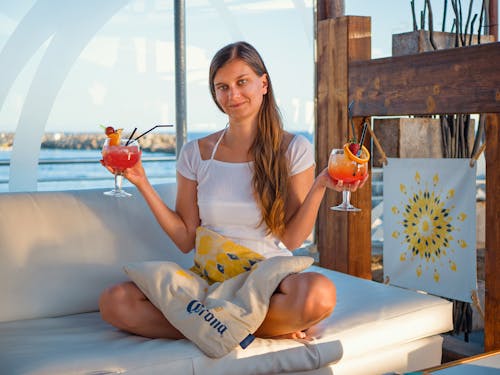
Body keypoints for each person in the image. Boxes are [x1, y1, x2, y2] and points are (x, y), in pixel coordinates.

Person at [99, 41, 367, 340]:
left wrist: (320, 186)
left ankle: (210, 328)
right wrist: (142, 182)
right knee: (115, 302)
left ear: (263, 84)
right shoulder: (195, 153)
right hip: (210, 279)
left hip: (267, 280)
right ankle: (249, 329)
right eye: (222, 87)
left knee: (318, 294)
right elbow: (186, 240)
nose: (232, 95)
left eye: (242, 82)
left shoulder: (293, 148)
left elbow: (293, 239)